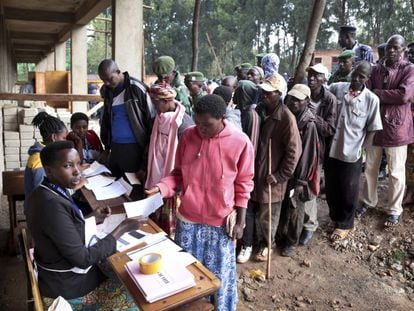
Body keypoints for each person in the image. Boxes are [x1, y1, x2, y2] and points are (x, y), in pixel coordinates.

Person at [146, 94, 254, 311]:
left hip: (221, 222)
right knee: (187, 274)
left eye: (207, 125)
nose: (201, 129)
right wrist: (162, 188)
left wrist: (241, 222)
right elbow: (178, 174)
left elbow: (244, 184)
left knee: (218, 275)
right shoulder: (187, 136)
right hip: (188, 220)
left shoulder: (240, 141)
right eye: (198, 124)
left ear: (222, 118)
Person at [26, 140, 146, 309]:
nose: (77, 172)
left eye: (78, 164)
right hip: (70, 289)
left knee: (123, 272)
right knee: (136, 295)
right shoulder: (51, 205)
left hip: (61, 275)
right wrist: (122, 228)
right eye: (68, 166)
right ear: (48, 170)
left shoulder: (45, 191)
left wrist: (92, 217)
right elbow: (84, 259)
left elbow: (61, 228)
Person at [359, 35, 414, 227]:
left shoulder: (409, 69)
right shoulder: (376, 69)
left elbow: (404, 95)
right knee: (370, 168)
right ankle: (368, 201)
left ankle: (394, 209)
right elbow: (367, 91)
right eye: (389, 47)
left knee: (396, 172)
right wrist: (377, 94)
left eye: (396, 48)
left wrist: (378, 94)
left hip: (397, 129)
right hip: (375, 126)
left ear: (403, 50)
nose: (391, 50)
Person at [327, 61, 382, 241]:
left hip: (352, 152)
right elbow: (322, 91)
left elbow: (373, 128)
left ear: (368, 78)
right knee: (332, 186)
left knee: (348, 189)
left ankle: (345, 224)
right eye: (356, 74)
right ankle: (335, 218)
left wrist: (364, 151)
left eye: (362, 76)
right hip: (332, 149)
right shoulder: (337, 88)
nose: (357, 79)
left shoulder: (371, 100)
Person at [252, 75, 301, 261]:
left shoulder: (286, 118)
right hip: (260, 171)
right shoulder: (261, 111)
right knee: (260, 212)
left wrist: (280, 175)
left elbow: (294, 153)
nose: (264, 95)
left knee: (269, 214)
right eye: (263, 92)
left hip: (272, 176)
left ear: (279, 94)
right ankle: (261, 241)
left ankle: (268, 244)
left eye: (269, 93)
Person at [98, 59, 155, 200]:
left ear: (118, 72)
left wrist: (145, 160)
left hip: (135, 149)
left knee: (133, 190)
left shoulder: (137, 88)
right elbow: (106, 121)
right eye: (103, 80)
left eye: (109, 79)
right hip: (116, 148)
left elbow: (152, 120)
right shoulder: (108, 92)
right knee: (116, 187)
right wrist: (107, 148)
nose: (106, 83)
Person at [145, 84, 194, 237]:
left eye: (155, 102)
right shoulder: (158, 119)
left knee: (172, 223)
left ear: (167, 101)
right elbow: (151, 146)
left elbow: (188, 159)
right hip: (157, 176)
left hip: (176, 180)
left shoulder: (184, 124)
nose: (154, 106)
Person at [299, 63, 337, 245]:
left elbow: (330, 129)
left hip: (317, 149)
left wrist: (314, 116)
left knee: (310, 185)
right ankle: (297, 224)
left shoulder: (329, 99)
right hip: (298, 145)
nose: (312, 78)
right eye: (310, 74)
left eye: (316, 75)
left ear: (324, 79)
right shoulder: (302, 93)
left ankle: (309, 225)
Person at [280, 84, 319, 257]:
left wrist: (302, 181)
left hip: (299, 173)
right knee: (285, 205)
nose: (293, 102)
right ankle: (282, 236)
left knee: (296, 208)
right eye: (291, 98)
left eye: (298, 100)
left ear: (306, 101)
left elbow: (308, 155)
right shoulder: (288, 116)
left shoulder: (308, 124)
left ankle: (291, 242)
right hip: (286, 169)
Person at [232, 80, 261, 263]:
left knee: (246, 208)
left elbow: (250, 145)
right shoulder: (240, 112)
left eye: (240, 93)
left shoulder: (251, 115)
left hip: (245, 168)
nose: (236, 96)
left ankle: (247, 244)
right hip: (236, 166)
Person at [24, 111, 68, 214]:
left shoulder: (48, 153)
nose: (65, 141)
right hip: (39, 211)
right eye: (63, 138)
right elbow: (42, 193)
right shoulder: (39, 159)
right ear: (53, 137)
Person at [403, 42, 414, 205]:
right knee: (409, 159)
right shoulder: (406, 73)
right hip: (408, 119)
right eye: (409, 53)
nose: (411, 56)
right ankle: (410, 191)